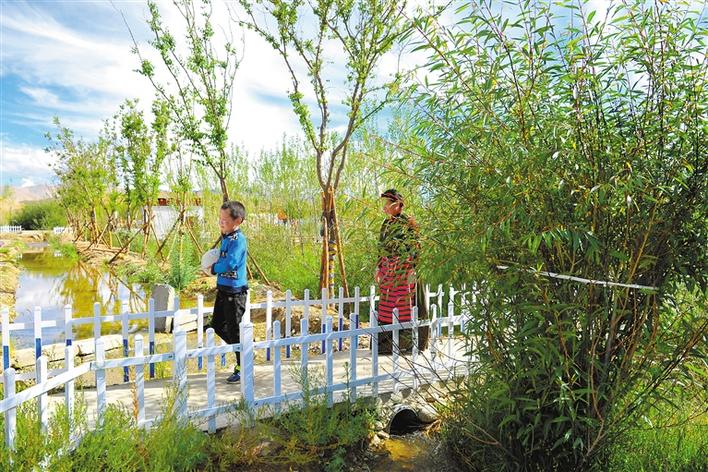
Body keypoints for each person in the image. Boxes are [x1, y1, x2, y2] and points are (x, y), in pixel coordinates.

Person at [376, 189, 424, 354]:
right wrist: (378, 267)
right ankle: (385, 345)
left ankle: (406, 343)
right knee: (386, 305)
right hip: (387, 271)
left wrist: (413, 268)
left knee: (404, 305)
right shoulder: (386, 224)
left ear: (397, 204)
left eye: (387, 203)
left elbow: (415, 246)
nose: (385, 207)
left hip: (404, 270)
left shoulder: (408, 223)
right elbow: (381, 247)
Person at [210, 201, 248, 383]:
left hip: (235, 292)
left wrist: (213, 269)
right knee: (217, 325)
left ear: (237, 221)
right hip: (223, 289)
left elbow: (231, 263)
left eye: (225, 220)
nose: (221, 222)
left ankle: (243, 365)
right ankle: (245, 349)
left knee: (234, 329)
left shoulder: (238, 240)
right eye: (220, 219)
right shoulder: (226, 238)